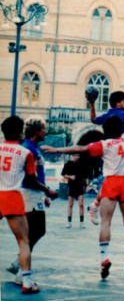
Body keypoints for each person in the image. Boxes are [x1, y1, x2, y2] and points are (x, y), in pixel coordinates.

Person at [43, 91, 124, 280]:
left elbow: (80, 149)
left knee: (105, 223)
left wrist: (57, 149)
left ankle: (104, 259)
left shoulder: (103, 144)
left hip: (110, 183)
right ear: (121, 127)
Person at [1, 116, 57, 295]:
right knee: (25, 239)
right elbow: (31, 179)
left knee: (33, 233)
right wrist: (47, 191)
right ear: (20, 132)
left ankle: (19, 269)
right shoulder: (25, 152)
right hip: (14, 195)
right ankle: (25, 280)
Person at [86, 90, 124, 226]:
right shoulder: (120, 114)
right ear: (118, 103)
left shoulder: (109, 113)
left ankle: (96, 205)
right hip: (119, 149)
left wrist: (92, 104)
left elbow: (93, 120)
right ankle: (97, 205)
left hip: (117, 148)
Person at [62, 154, 86, 228]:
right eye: (75, 155)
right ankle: (69, 222)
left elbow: (86, 176)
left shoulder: (82, 164)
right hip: (71, 186)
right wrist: (70, 177)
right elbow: (63, 174)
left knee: (81, 204)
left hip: (80, 186)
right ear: (73, 156)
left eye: (78, 155)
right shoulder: (68, 164)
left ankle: (82, 222)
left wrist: (87, 185)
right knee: (70, 204)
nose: (77, 157)